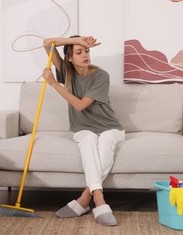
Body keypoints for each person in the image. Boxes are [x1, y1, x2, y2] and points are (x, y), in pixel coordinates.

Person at [42, 35, 125, 226]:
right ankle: (99, 200)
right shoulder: (66, 71)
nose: (85, 54)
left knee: (105, 140)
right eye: (79, 52)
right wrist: (79, 39)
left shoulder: (101, 76)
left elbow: (80, 106)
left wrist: (54, 84)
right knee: (88, 140)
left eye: (86, 50)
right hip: (82, 128)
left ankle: (86, 198)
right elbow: (47, 43)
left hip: (110, 127)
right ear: (69, 58)